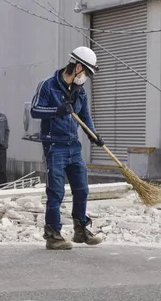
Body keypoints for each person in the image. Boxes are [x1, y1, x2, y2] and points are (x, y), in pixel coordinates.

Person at [30, 46, 105, 250]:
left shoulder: (80, 92)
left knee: (82, 189)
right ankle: (52, 235)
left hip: (74, 146)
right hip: (55, 146)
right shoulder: (48, 85)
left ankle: (81, 229)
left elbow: (85, 117)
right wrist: (57, 110)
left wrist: (93, 135)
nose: (87, 78)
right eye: (87, 73)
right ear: (78, 66)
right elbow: (35, 110)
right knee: (55, 191)